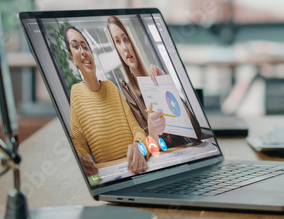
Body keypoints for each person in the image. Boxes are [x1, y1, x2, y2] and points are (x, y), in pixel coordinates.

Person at [105, 15, 202, 147]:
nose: (124, 48)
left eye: (125, 39)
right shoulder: (129, 93)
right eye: (117, 42)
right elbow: (150, 146)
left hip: (186, 151)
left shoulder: (156, 75)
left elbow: (196, 132)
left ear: (133, 40)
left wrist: (167, 85)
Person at [65, 26, 147, 176]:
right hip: (113, 176)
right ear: (72, 57)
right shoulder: (76, 93)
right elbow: (78, 144)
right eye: (76, 47)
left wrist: (138, 146)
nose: (83, 52)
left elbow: (137, 130)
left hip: (138, 170)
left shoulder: (111, 87)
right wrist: (83, 159)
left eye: (85, 46)